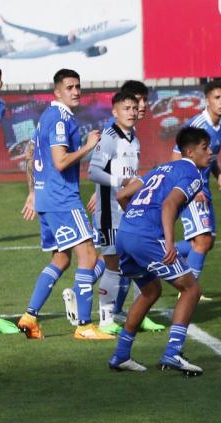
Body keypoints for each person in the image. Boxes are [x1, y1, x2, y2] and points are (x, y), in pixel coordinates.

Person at [108, 127, 211, 375]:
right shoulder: (192, 173)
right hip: (146, 238)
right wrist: (168, 241)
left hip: (125, 233)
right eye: (204, 148)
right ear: (190, 151)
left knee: (151, 290)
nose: (210, 152)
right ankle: (173, 353)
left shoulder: (161, 168)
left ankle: (121, 355)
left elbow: (123, 194)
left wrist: (135, 218)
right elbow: (169, 205)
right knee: (191, 289)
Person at [17, 68, 110, 340]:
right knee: (89, 256)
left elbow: (31, 154)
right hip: (63, 199)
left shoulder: (47, 116)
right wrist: (89, 145)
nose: (76, 91)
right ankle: (84, 326)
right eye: (70, 87)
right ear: (57, 91)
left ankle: (30, 316)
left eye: (78, 86)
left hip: (47, 198)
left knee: (61, 258)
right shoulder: (60, 119)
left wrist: (33, 193)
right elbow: (59, 161)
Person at [88, 91, 164, 334]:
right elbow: (93, 172)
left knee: (141, 262)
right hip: (109, 213)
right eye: (126, 108)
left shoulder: (134, 138)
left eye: (134, 108)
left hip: (128, 211)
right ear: (114, 112)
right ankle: (106, 321)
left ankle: (139, 315)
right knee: (113, 267)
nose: (131, 112)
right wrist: (121, 181)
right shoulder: (109, 137)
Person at [168, 80, 221, 301]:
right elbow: (176, 157)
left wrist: (219, 175)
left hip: (204, 188)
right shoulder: (198, 125)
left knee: (206, 242)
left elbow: (210, 156)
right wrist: (192, 189)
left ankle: (156, 254)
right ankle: (188, 291)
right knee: (201, 241)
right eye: (217, 98)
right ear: (207, 100)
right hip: (191, 188)